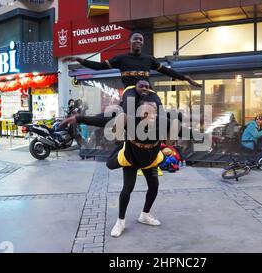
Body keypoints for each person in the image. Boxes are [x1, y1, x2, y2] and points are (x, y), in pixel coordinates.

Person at [60, 81, 197, 238]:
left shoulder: (162, 121)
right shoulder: (130, 120)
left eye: (153, 112)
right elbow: (103, 119)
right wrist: (79, 118)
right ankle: (120, 221)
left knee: (154, 186)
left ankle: (145, 215)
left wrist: (206, 136)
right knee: (128, 188)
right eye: (145, 112)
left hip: (150, 159)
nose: (149, 115)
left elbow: (184, 131)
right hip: (131, 157)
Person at [63, 32, 201, 89]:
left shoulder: (149, 59)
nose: (138, 41)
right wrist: (79, 60)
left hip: (147, 90)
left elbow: (166, 71)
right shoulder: (120, 59)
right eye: (135, 39)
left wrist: (185, 78)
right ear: (130, 42)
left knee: (160, 109)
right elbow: (99, 67)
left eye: (141, 40)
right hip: (130, 91)